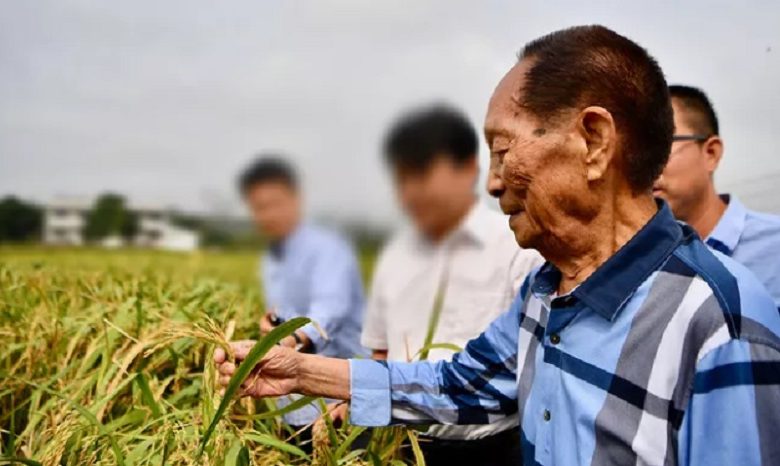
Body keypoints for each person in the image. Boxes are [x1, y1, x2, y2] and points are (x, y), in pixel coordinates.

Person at [218, 26, 780, 465]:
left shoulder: (718, 325)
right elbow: (462, 383)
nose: (493, 182)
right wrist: (300, 372)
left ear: (594, 142)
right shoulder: (546, 294)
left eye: (503, 149)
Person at [324, 104, 542, 465]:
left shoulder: (518, 248)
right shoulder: (395, 255)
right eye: (402, 179)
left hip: (489, 448)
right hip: (399, 445)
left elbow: (529, 373)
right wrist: (349, 399)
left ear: (469, 168)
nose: (410, 192)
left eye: (422, 175)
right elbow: (380, 352)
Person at [237, 155, 367, 436]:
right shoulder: (273, 258)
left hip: (338, 401)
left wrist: (289, 337)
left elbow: (329, 310)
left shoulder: (327, 249)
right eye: (259, 208)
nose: (268, 215)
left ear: (296, 199)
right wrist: (271, 325)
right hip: (292, 403)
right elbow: (284, 311)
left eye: (275, 204)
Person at [654, 85, 780, 314]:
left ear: (711, 152)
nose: (646, 165)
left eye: (660, 146)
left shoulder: (774, 248)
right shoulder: (635, 268)